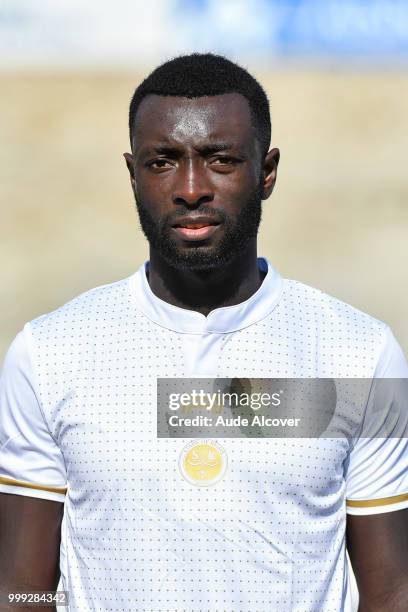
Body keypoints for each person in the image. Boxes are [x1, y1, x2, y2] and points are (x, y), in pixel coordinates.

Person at [0, 53, 407, 612]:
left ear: (266, 173)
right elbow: (21, 590)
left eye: (220, 160)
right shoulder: (49, 353)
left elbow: (392, 590)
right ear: (133, 174)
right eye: (163, 162)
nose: (191, 188)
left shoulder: (358, 353)